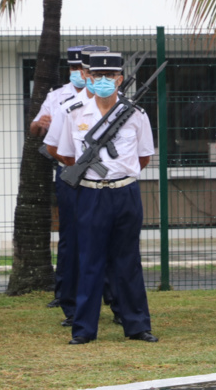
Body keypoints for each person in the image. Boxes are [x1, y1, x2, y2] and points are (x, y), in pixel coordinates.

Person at [56, 52, 157, 344]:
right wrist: (91, 172)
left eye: (109, 76)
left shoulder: (135, 114)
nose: (103, 81)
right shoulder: (74, 112)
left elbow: (144, 156)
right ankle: (84, 329)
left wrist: (118, 176)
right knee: (89, 261)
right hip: (90, 193)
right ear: (88, 78)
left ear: (119, 79)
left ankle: (137, 325)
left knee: (128, 261)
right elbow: (66, 155)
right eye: (98, 76)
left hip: (125, 192)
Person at [44, 46, 110, 326]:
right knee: (72, 241)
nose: (96, 77)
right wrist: (78, 167)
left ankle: (118, 303)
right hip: (74, 181)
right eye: (90, 71)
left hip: (109, 184)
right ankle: (72, 306)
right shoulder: (67, 105)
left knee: (113, 242)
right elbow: (53, 146)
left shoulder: (123, 107)